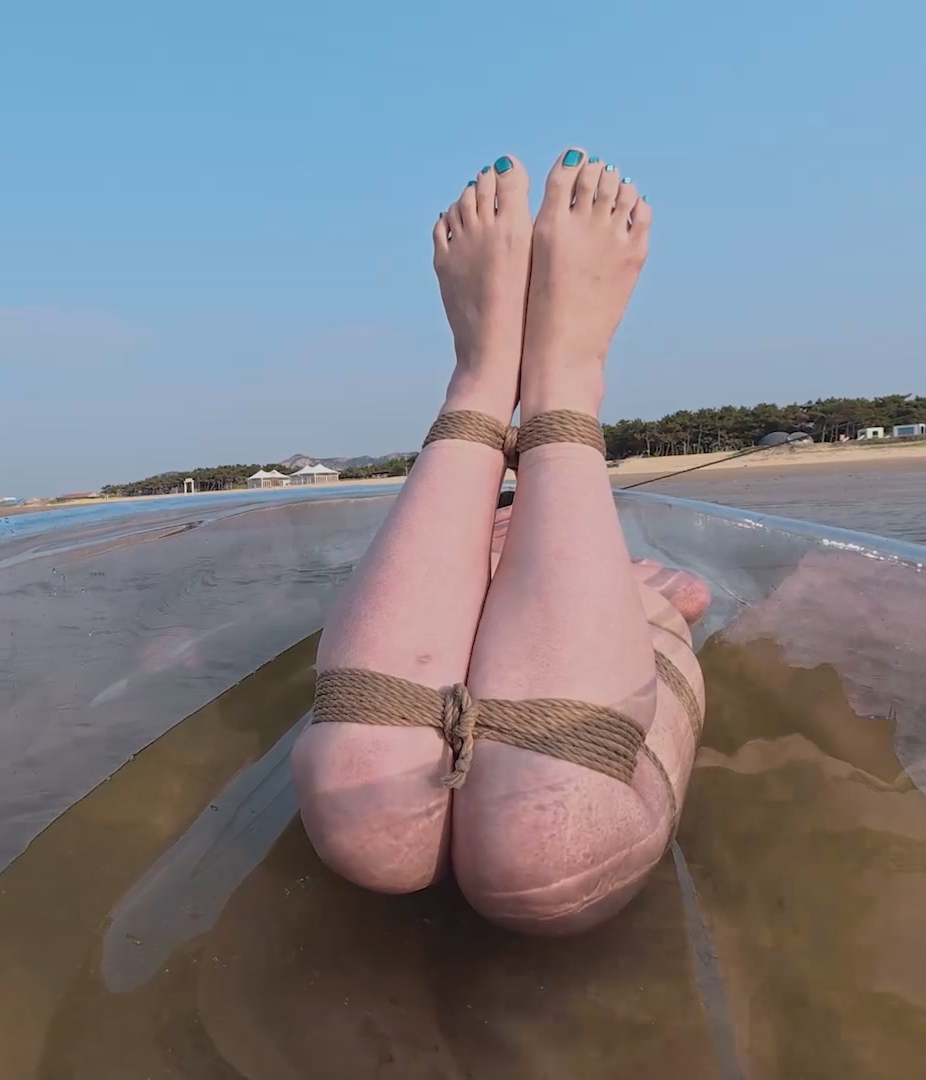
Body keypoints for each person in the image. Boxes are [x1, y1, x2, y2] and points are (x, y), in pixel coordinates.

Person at [290, 147, 711, 935]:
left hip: (584, 627)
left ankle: (527, 378)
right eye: (501, 501)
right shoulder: (598, 573)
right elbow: (690, 594)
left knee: (525, 833)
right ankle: (519, 378)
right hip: (573, 631)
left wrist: (644, 598)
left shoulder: (622, 575)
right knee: (378, 805)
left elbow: (688, 595)